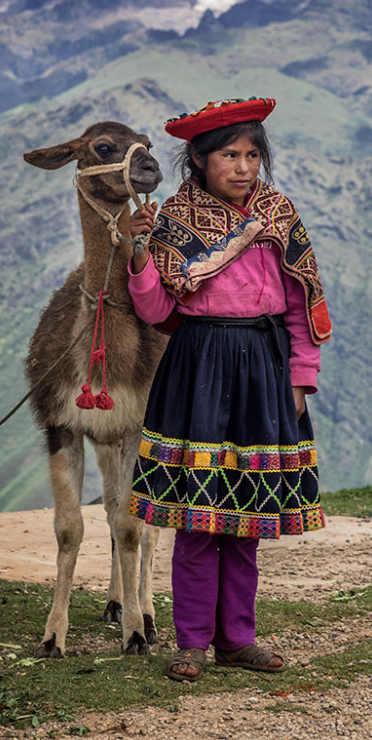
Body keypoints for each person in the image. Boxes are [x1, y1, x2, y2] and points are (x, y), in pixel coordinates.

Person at [127, 97, 331, 683]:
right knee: (197, 518)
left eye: (251, 155)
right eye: (229, 155)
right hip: (198, 368)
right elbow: (157, 309)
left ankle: (237, 639)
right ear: (198, 158)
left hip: (263, 369)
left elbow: (302, 304)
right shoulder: (171, 222)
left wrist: (300, 377)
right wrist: (139, 253)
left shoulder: (278, 216)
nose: (243, 167)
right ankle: (192, 642)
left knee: (247, 518)